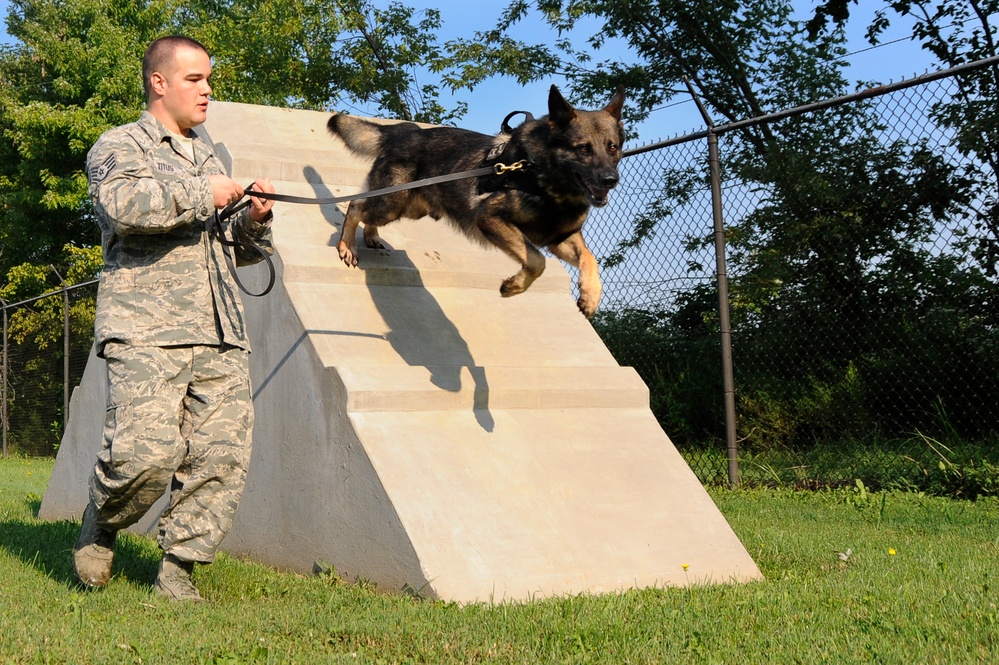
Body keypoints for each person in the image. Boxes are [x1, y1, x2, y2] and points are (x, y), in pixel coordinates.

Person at [71, 35, 276, 601]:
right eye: (195, 79)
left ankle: (178, 570)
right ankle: (103, 523)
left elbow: (235, 246)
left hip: (220, 330)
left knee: (220, 457)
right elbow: (122, 207)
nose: (207, 90)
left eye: (209, 79)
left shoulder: (209, 156)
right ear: (159, 83)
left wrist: (254, 221)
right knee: (144, 452)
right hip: (146, 329)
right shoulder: (119, 145)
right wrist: (201, 192)